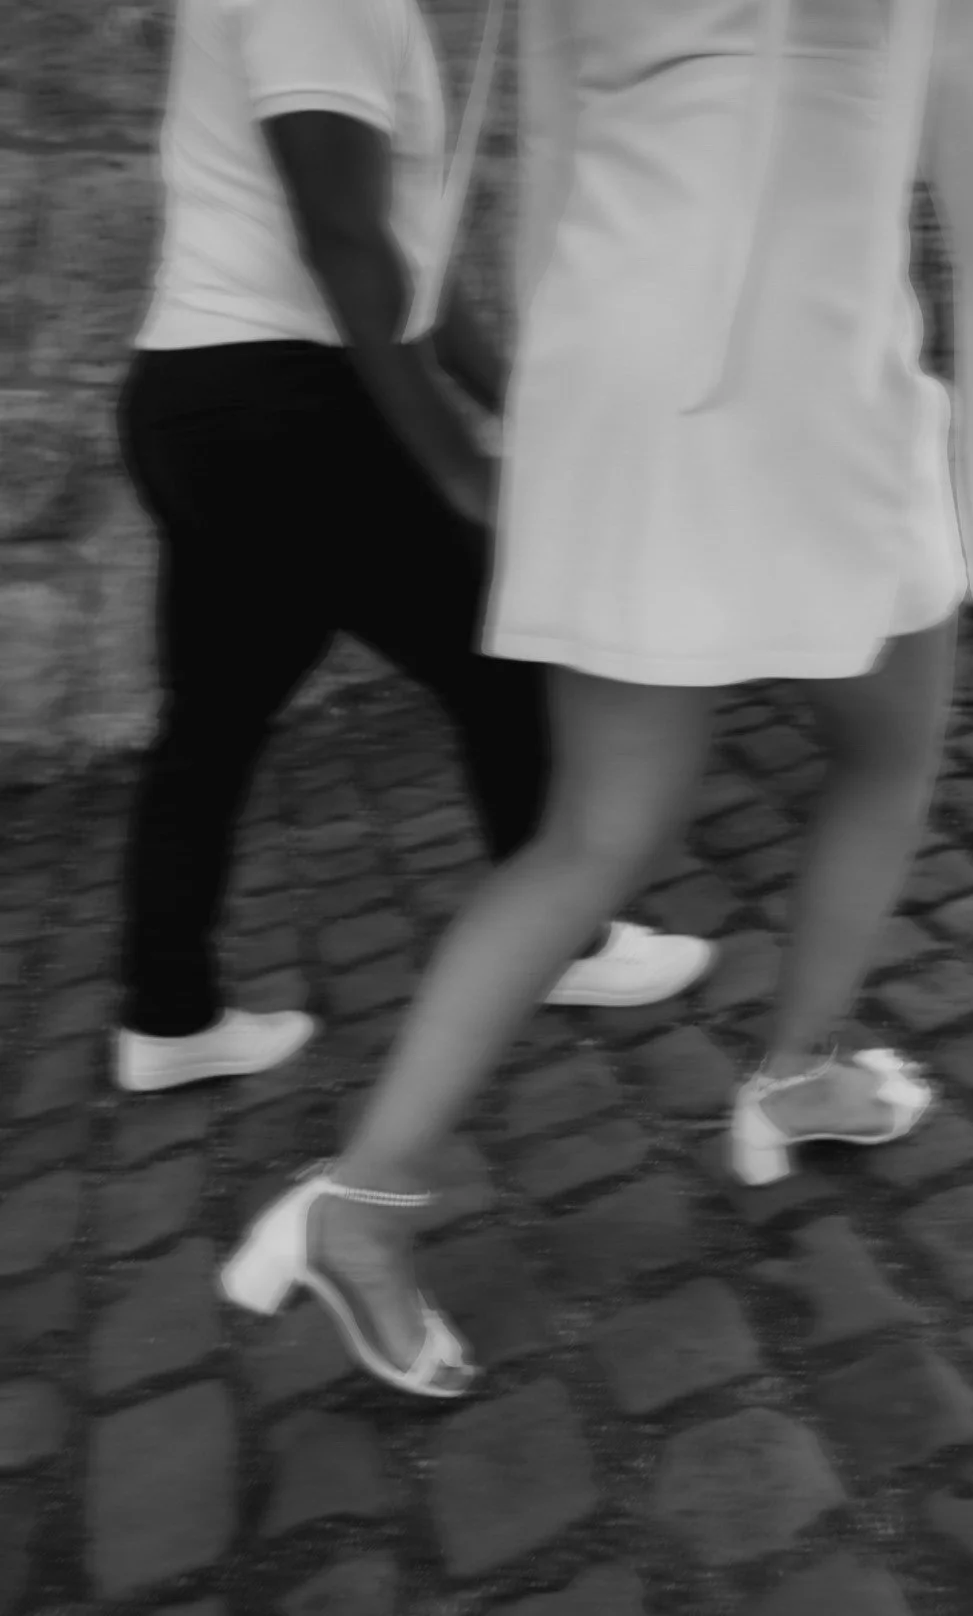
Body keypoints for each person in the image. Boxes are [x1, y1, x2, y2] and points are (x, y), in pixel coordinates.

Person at [220, 0, 973, 1400]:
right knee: (890, 750)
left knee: (592, 834)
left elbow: (554, 152)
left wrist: (557, 409)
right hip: (810, 367)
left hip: (617, 361)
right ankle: (794, 1069)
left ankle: (360, 1199)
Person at [112, 0, 718, 1097]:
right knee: (505, 653)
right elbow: (341, 237)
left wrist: (527, 411)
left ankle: (168, 1013)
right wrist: (454, 464)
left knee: (212, 718)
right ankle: (562, 945)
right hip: (283, 400)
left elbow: (409, 270)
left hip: (196, 397)